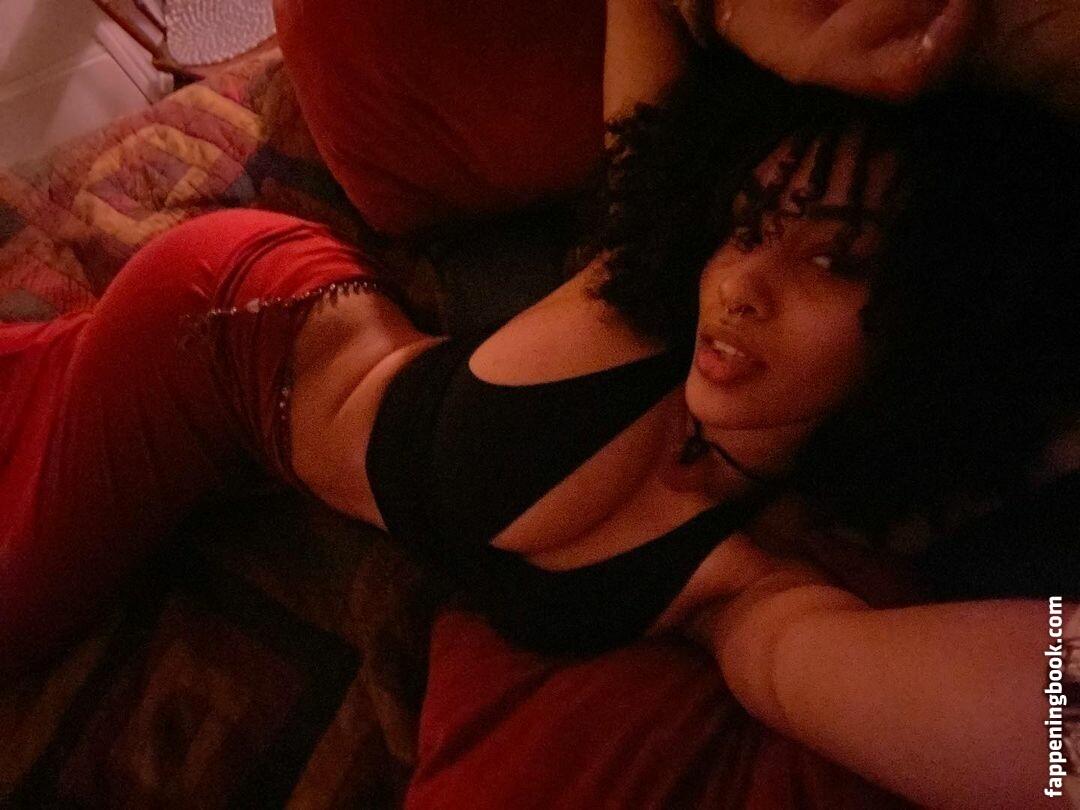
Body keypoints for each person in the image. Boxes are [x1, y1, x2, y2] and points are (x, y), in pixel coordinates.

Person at [1, 1, 1078, 806]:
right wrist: (764, 26)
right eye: (750, 224)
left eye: (834, 260)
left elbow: (1040, 715)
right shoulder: (643, 273)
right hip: (231, 330)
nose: (746, 284)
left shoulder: (750, 593)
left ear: (932, 333)